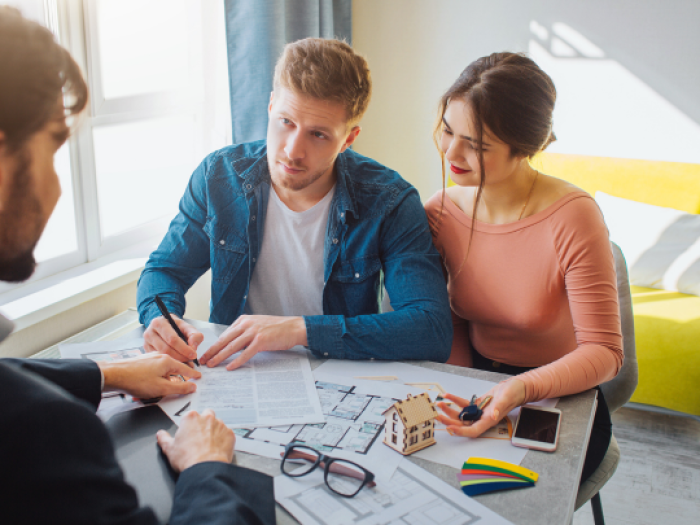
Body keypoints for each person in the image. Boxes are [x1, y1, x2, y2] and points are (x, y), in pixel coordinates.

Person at [0, 7, 274, 524]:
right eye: (53, 149)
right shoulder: (46, 434)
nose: (59, 187)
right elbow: (162, 270)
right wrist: (207, 469)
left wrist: (107, 372)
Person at [137, 38, 452, 371]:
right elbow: (164, 270)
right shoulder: (219, 176)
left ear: (348, 138)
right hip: (236, 372)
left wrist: (299, 330)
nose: (292, 150)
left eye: (318, 135)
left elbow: (431, 329)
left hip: (340, 374)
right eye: (286, 122)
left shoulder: (389, 199)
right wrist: (162, 318)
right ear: (271, 106)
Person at [423, 52, 623, 483]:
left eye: (475, 145)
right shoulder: (439, 213)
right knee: (432, 487)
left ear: (524, 148)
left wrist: (519, 389)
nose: (452, 152)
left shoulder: (573, 216)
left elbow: (605, 353)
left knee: (503, 497)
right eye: (447, 130)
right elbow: (452, 316)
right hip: (477, 379)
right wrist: (464, 384)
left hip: (561, 393)